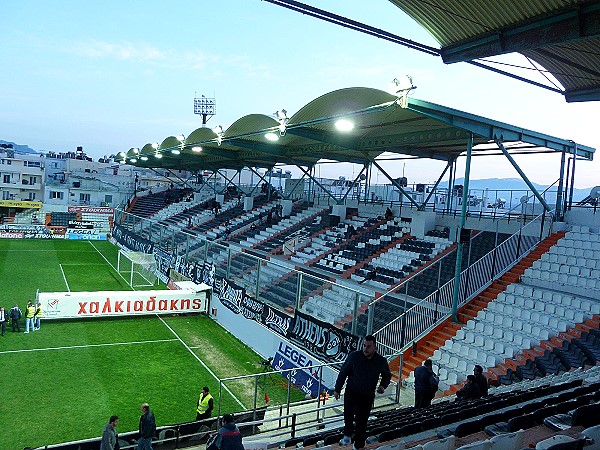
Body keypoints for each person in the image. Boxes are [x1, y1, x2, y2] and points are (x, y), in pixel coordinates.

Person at [334, 335, 391, 450]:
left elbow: (387, 376)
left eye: (369, 347)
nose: (365, 349)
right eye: (364, 346)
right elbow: (343, 372)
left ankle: (358, 445)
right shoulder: (354, 356)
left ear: (375, 347)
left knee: (362, 421)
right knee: (348, 415)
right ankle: (347, 436)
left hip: (367, 396)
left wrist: (383, 386)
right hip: (351, 392)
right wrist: (337, 389)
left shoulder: (381, 361)